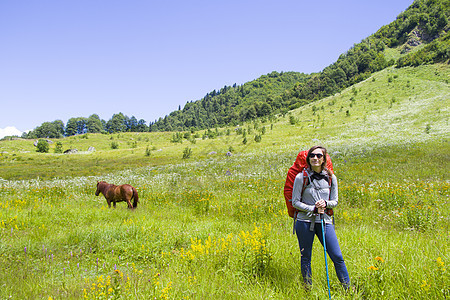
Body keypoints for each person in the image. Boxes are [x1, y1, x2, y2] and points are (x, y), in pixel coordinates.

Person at [291, 145, 350, 289]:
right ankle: (308, 288)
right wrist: (313, 208)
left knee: (337, 257)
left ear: (324, 158)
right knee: (306, 257)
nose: (315, 158)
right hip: (304, 221)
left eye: (318, 155)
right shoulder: (301, 177)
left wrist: (325, 203)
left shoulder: (331, 177)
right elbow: (295, 202)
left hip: (324, 221)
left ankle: (348, 288)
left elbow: (334, 202)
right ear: (308, 158)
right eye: (312, 155)